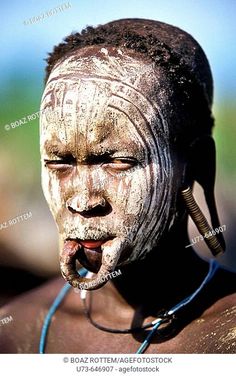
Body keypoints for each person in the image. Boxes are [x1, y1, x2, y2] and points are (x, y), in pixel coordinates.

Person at [0, 18, 235, 354]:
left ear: (195, 166)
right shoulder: (14, 332)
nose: (83, 199)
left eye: (118, 161)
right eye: (59, 162)